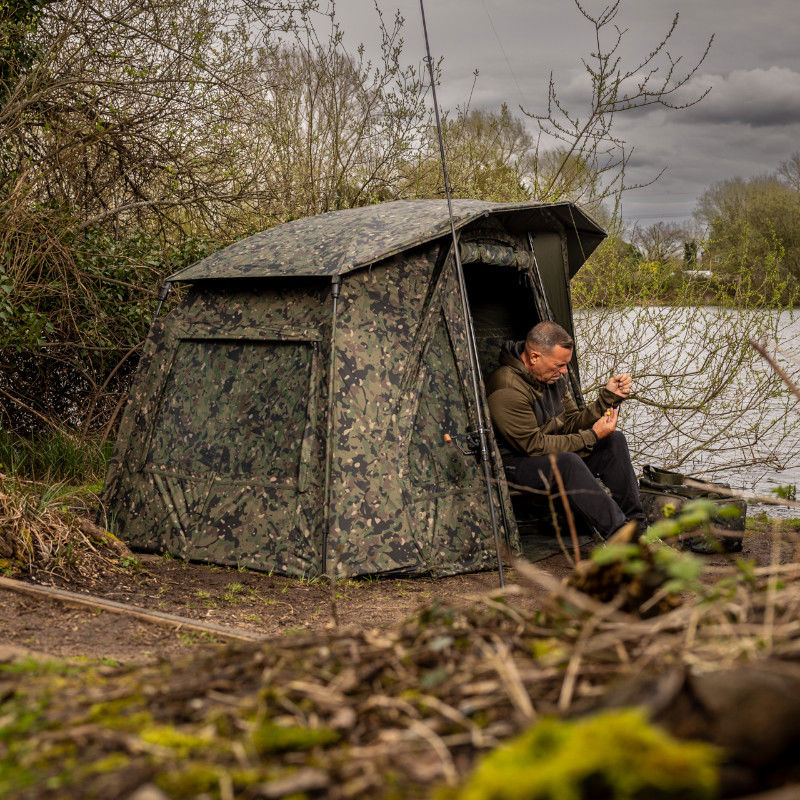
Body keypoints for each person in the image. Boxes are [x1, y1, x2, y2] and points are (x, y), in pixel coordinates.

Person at [486, 320, 645, 538]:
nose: (564, 372)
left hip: (552, 454)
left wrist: (607, 398)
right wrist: (591, 436)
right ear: (534, 357)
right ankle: (622, 538)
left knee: (613, 441)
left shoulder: (551, 376)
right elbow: (533, 446)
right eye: (559, 365)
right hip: (515, 465)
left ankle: (639, 527)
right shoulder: (507, 386)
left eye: (565, 365)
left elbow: (570, 422)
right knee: (567, 462)